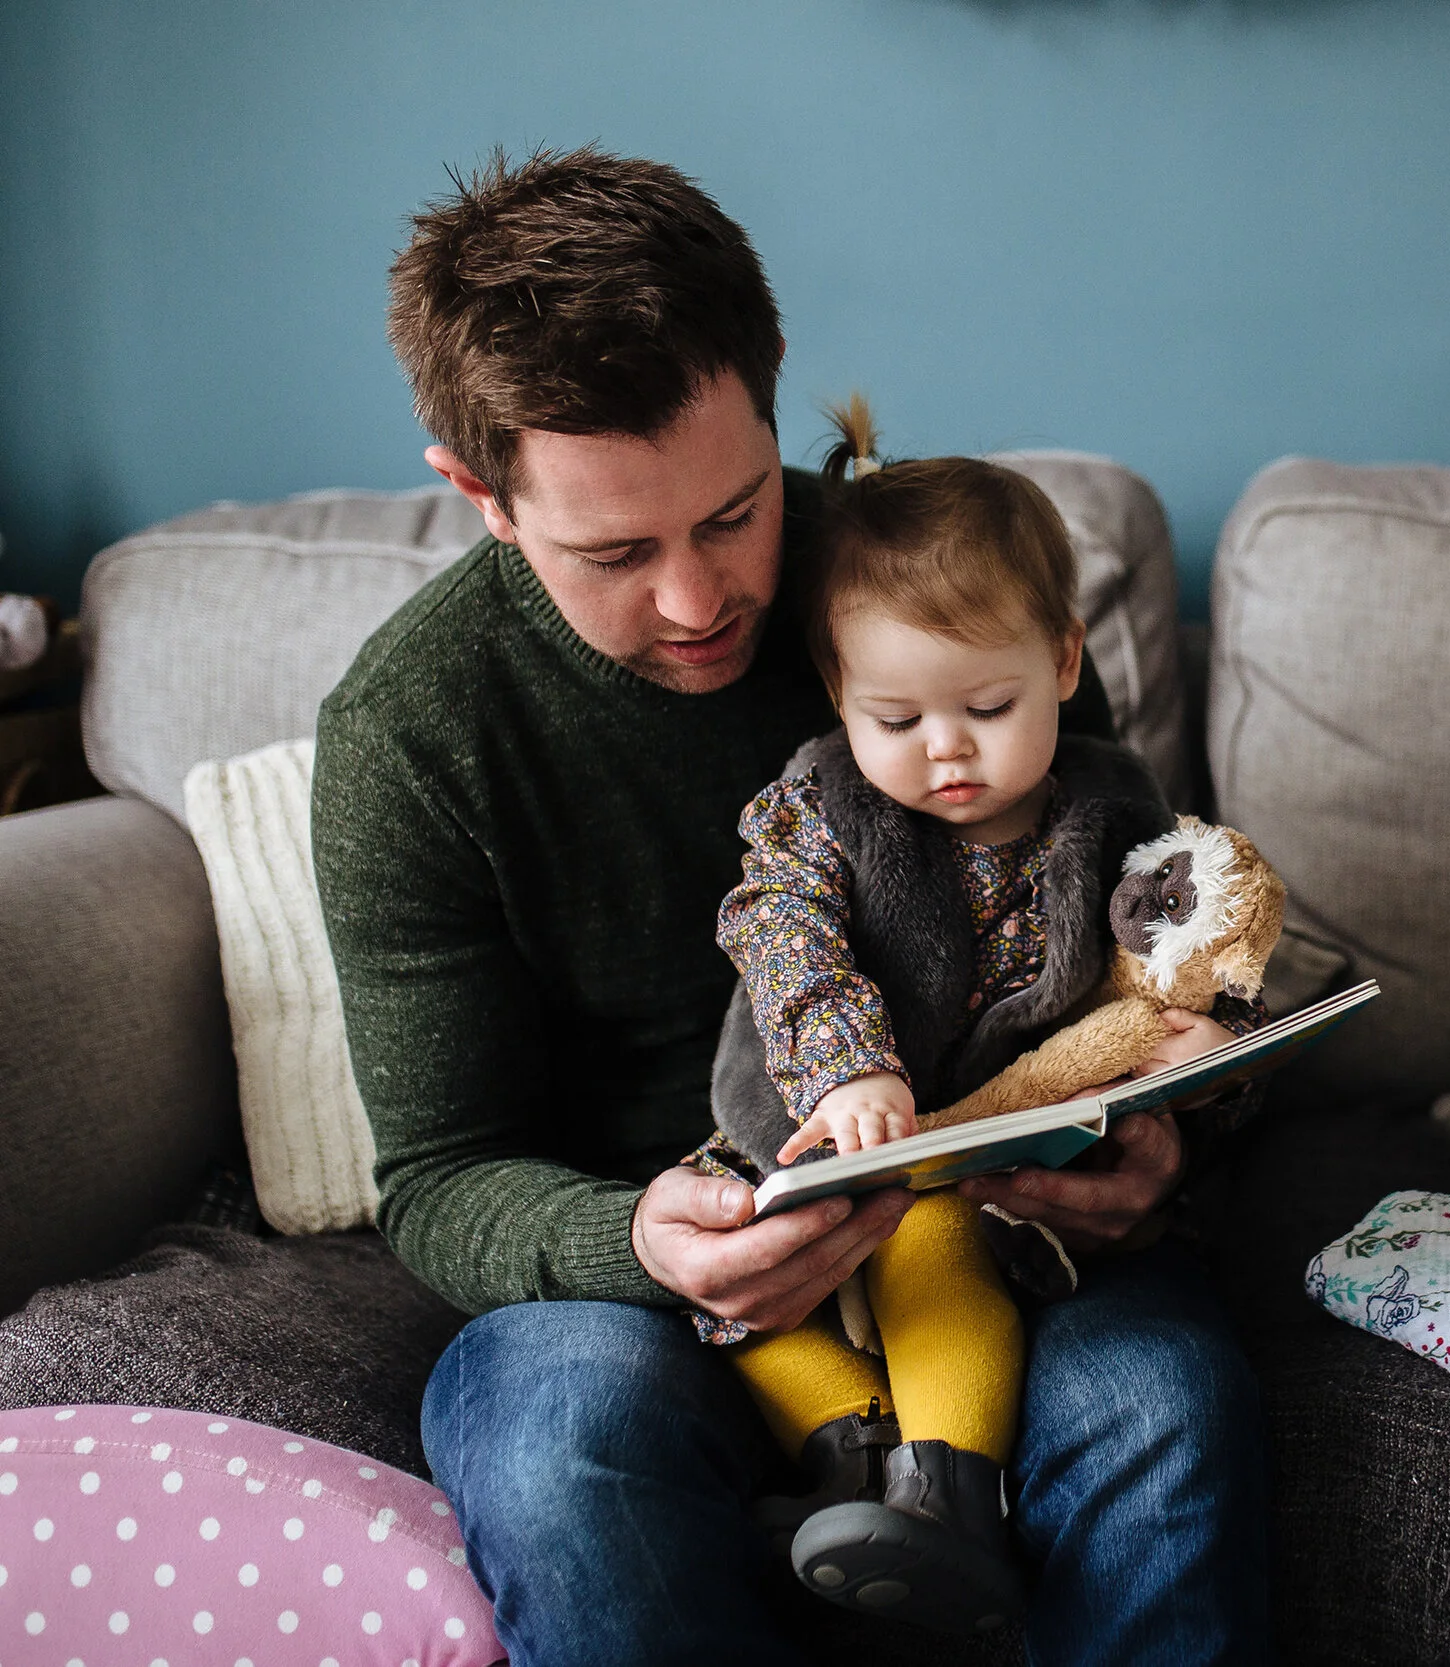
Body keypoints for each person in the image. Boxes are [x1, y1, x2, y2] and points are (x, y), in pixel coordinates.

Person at [317, 147, 1270, 1665]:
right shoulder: (413, 736)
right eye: (614, 552)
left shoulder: (925, 585)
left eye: (734, 512)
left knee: (1165, 1401)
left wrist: (1161, 1147)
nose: (697, 602)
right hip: (649, 1270)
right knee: (559, 1444)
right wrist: (644, 1239)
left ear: (772, 404)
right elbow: (438, 1175)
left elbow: (1131, 932)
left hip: (990, 1213)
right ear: (481, 495)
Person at [685, 398, 1259, 1632]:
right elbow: (779, 928)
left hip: (980, 1162)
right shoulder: (818, 803)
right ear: (839, 693)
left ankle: (948, 1494)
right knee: (733, 1306)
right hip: (805, 1133)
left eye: (988, 708)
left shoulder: (1110, 807)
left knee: (930, 1235)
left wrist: (1206, 1046)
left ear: (1063, 661)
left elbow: (1186, 941)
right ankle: (854, 1456)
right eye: (896, 720)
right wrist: (846, 1069)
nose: (945, 750)